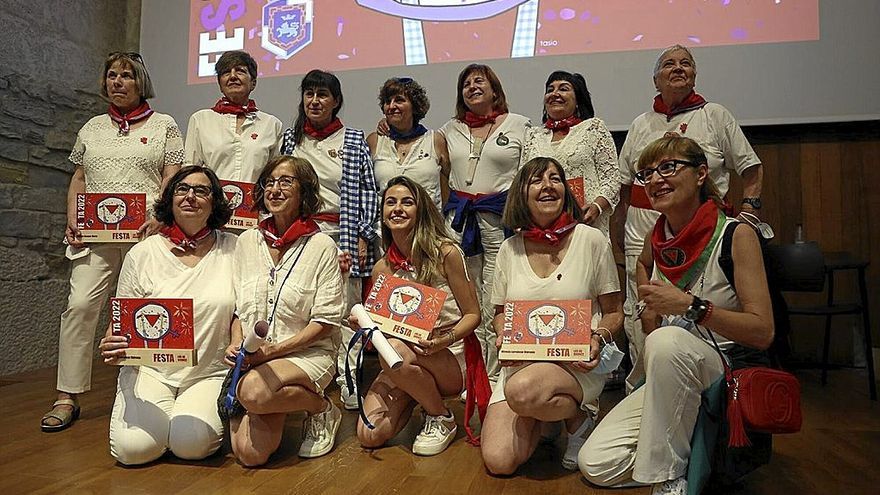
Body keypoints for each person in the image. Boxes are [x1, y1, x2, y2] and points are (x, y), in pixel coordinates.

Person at [579, 136, 774, 495]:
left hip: (723, 367)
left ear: (702, 173)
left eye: (668, 167)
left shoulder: (736, 234)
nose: (655, 180)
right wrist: (647, 310)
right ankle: (687, 441)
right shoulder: (658, 238)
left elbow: (763, 332)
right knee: (596, 464)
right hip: (669, 370)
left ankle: (670, 480)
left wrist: (690, 307)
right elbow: (641, 266)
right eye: (647, 173)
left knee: (666, 341)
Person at [42, 52, 183, 432]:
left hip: (147, 235)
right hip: (96, 236)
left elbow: (172, 175)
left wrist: (160, 214)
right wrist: (73, 216)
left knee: (146, 311)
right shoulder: (91, 128)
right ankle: (66, 396)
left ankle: (149, 391)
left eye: (126, 75)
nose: (117, 81)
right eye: (111, 75)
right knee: (80, 305)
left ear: (141, 82)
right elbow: (80, 178)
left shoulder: (164, 125)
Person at [612, 45, 763, 390]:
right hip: (643, 234)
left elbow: (751, 168)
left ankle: (707, 390)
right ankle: (646, 391)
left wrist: (750, 211)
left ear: (695, 75)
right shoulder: (639, 124)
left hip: (703, 236)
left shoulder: (715, 116)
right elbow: (624, 188)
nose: (678, 68)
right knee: (642, 317)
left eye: (686, 64)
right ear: (655, 80)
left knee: (694, 313)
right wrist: (617, 236)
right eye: (669, 64)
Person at [480, 157, 623, 474]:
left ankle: (579, 418)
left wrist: (598, 338)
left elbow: (614, 312)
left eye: (555, 178)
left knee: (523, 391)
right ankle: (549, 418)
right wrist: (504, 335)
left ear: (566, 190)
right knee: (499, 462)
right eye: (536, 180)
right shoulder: (509, 249)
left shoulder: (592, 240)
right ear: (522, 193)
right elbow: (501, 313)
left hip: (576, 366)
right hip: (523, 365)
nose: (547, 186)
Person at [98, 166, 235, 464]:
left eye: (201, 190)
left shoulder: (235, 249)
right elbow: (123, 318)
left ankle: (178, 424)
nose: (190, 197)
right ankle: (157, 424)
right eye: (182, 189)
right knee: (132, 450)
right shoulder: (142, 253)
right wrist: (112, 341)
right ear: (170, 199)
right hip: (149, 369)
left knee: (192, 445)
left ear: (214, 202)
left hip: (208, 371)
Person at [228, 156, 345, 466]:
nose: (275, 189)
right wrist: (235, 342)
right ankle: (267, 396)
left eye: (285, 182)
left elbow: (326, 323)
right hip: (255, 356)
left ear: (303, 192)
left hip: (307, 353)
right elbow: (238, 308)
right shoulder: (247, 241)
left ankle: (321, 408)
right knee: (248, 455)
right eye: (269, 182)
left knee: (253, 392)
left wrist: (272, 352)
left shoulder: (321, 245)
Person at [353, 176, 482, 455]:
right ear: (383, 215)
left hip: (447, 354)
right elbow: (382, 330)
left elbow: (473, 315)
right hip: (402, 358)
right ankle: (417, 392)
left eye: (407, 202)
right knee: (369, 434)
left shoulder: (445, 253)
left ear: (421, 210)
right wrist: (366, 326)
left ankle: (441, 417)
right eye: (390, 203)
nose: (397, 209)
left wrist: (443, 340)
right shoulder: (381, 269)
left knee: (397, 350)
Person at [279, 69, 379, 410]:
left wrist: (364, 234)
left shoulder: (352, 139)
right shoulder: (291, 141)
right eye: (309, 94)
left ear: (336, 101)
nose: (315, 101)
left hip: (343, 233)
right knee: (306, 307)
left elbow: (369, 190)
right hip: (301, 235)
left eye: (322, 94)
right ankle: (312, 375)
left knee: (348, 310)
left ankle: (349, 379)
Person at [440, 63, 530, 384]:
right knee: (463, 299)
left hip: (500, 223)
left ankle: (494, 375)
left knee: (496, 297)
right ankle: (467, 374)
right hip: (459, 222)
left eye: (480, 81)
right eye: (466, 83)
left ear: (495, 90)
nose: (473, 86)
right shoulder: (449, 130)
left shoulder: (520, 125)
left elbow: (527, 176)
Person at [522, 71, 619, 238]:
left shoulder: (593, 128)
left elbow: (612, 178)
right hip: (543, 226)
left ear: (577, 99)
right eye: (550, 89)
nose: (555, 94)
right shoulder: (533, 135)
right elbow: (523, 181)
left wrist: (597, 206)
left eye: (563, 89)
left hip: (587, 224)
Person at [184, 50, 282, 183]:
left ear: (253, 83)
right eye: (226, 72)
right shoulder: (200, 120)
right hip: (213, 202)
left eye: (240, 71)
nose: (233, 76)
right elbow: (190, 170)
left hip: (255, 202)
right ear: (220, 85)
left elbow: (274, 176)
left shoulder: (271, 124)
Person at [368, 77, 448, 212]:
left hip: (428, 228)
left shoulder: (435, 140)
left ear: (415, 106)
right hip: (385, 229)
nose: (392, 106)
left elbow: (447, 186)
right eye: (387, 102)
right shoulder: (374, 141)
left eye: (399, 100)